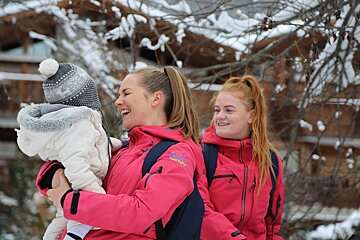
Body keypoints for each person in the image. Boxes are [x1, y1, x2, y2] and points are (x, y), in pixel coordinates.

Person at [35, 66, 206, 239]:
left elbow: (142, 212)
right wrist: (56, 173)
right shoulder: (121, 149)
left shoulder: (177, 154)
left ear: (156, 99)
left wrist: (69, 201)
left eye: (126, 93)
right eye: (119, 95)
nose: (118, 101)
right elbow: (70, 167)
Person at [16, 59, 121, 240]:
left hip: (70, 182)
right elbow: (76, 160)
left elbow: (86, 144)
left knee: (62, 218)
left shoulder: (67, 122)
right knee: (79, 222)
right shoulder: (79, 123)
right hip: (81, 183)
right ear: (84, 95)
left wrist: (112, 144)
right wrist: (96, 195)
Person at [200, 75, 285, 240]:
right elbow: (201, 211)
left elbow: (272, 225)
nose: (220, 116)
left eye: (229, 110)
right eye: (217, 110)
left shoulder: (270, 161)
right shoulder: (203, 154)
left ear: (251, 116)